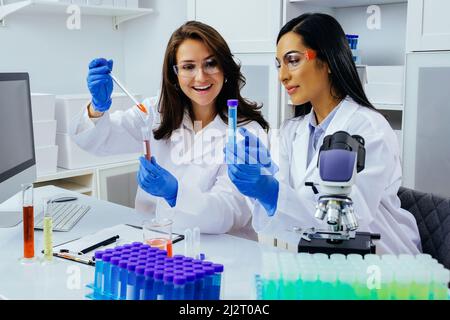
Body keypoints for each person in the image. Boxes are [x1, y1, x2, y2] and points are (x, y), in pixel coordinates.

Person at [224, 13, 421, 254]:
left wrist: (272, 191)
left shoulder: (368, 128)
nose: (282, 75)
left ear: (327, 60)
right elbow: (281, 224)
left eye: (293, 60)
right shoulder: (292, 132)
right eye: (279, 64)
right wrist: (265, 179)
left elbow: (350, 218)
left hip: (384, 265)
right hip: (322, 261)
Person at [70, 21, 269, 240]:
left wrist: (175, 194)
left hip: (224, 255)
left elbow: (229, 212)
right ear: (174, 74)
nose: (201, 76)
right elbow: (99, 142)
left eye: (211, 64)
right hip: (158, 242)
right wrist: (97, 108)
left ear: (225, 68)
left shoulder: (247, 132)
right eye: (188, 66)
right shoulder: (157, 112)